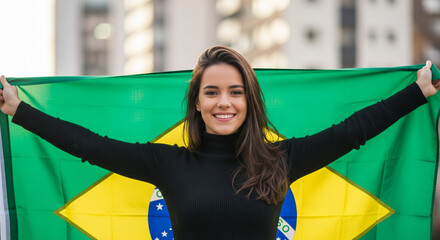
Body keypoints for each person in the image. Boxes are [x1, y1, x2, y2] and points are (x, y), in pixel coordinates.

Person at [0, 46, 439, 240]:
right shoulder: (166, 164)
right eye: (211, 92)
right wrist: (20, 109)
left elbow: (354, 130)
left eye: (235, 91)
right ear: (197, 101)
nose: (223, 102)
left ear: (249, 99)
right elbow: (88, 144)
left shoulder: (282, 160)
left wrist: (416, 92)